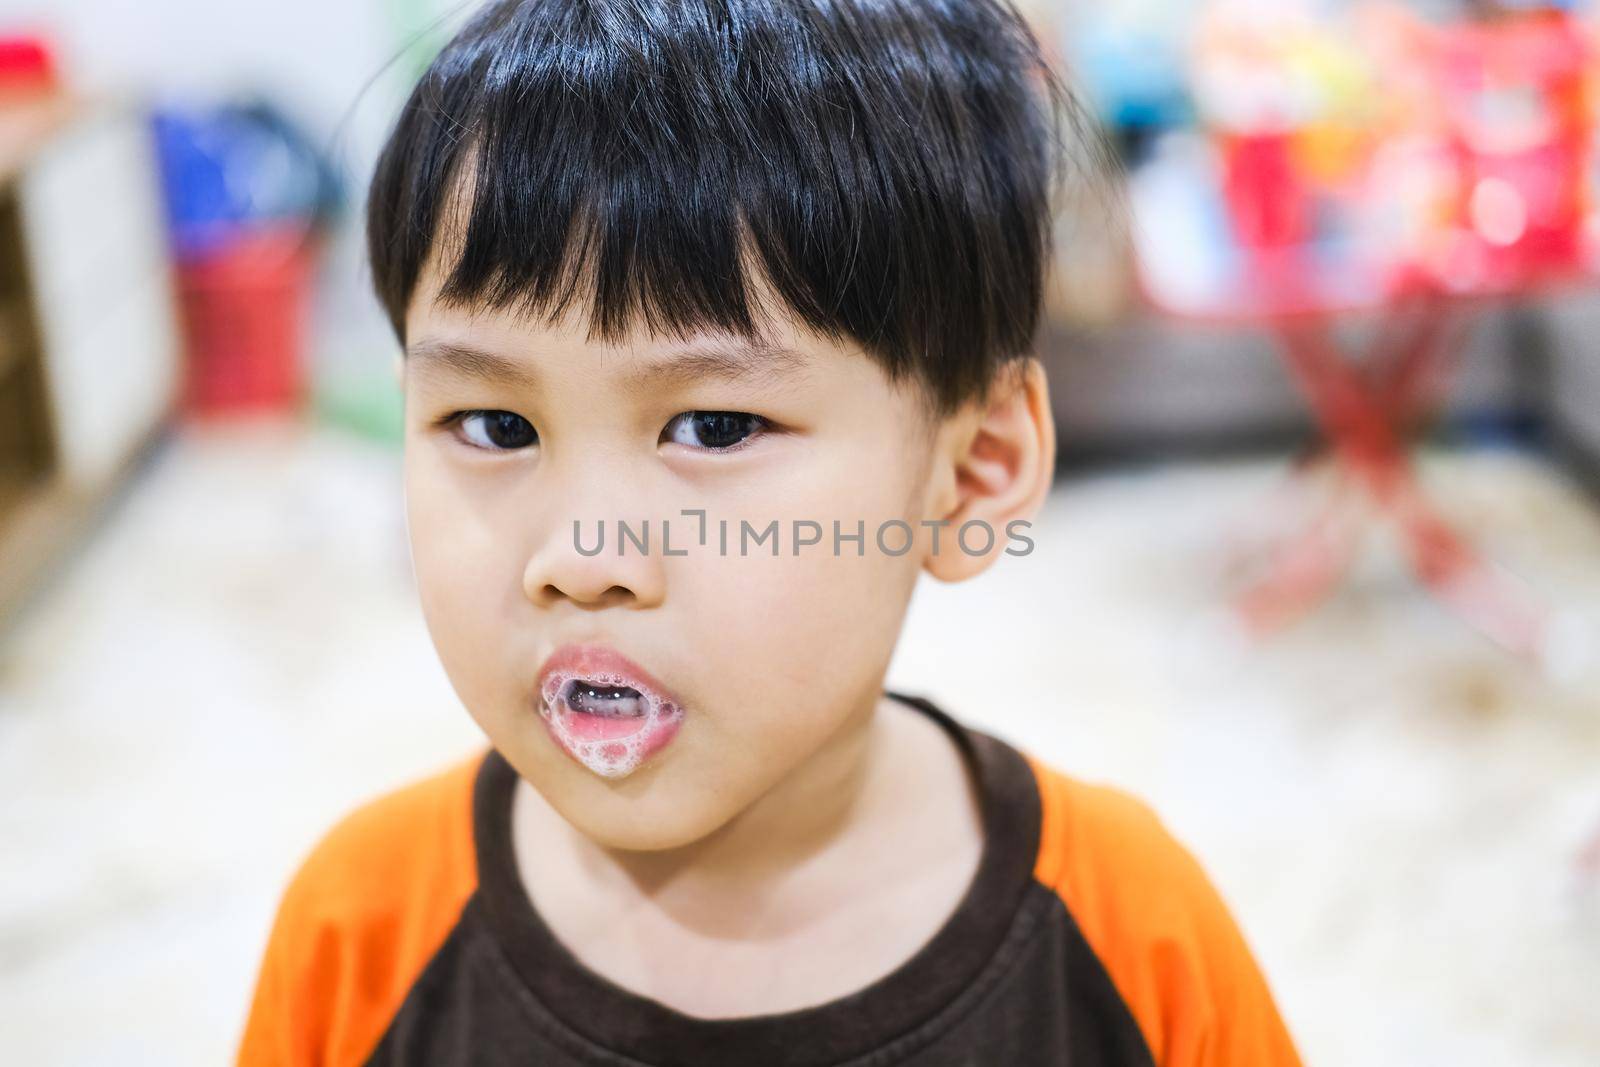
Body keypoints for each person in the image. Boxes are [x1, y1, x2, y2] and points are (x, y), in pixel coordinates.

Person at [237, 0, 1303, 1063]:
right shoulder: (360, 930)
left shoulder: (1128, 937)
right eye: (493, 424)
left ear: (973, 470)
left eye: (714, 425)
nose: (581, 561)